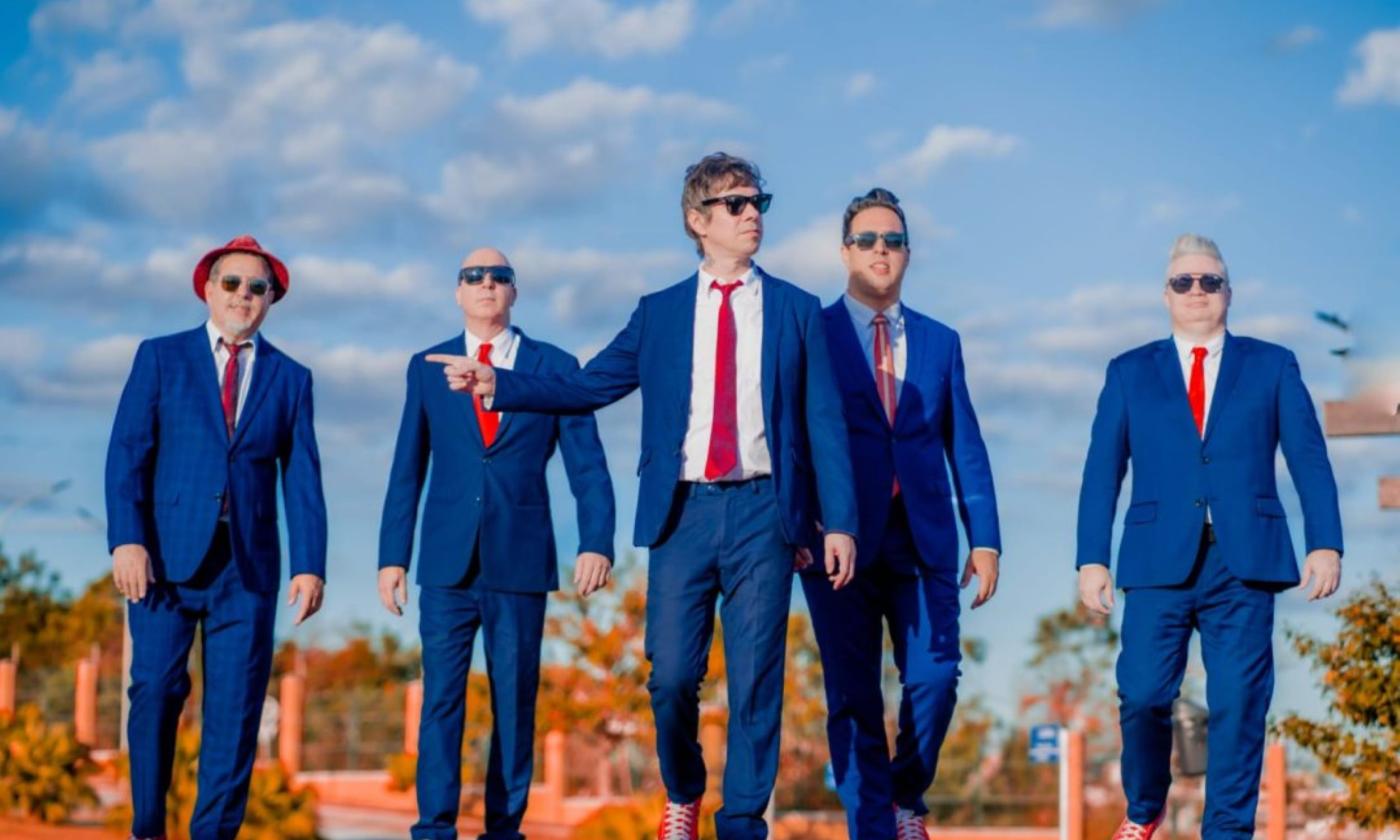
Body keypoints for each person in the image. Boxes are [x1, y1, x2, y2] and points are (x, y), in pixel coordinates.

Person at [427, 152, 858, 840]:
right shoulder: (659, 314)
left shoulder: (795, 310)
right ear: (698, 220)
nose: (754, 216)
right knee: (671, 678)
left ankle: (743, 821)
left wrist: (839, 522)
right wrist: (498, 386)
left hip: (764, 512)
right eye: (737, 204)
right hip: (680, 512)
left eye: (759, 203)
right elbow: (591, 385)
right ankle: (683, 789)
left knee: (755, 680)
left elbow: (824, 421)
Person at [1076, 234, 1344, 840]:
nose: (1197, 291)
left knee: (1239, 706)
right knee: (1142, 693)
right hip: (1154, 563)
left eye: (1209, 281)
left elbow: (1309, 457)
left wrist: (1326, 541)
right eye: (1184, 282)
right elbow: (1101, 473)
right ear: (1165, 294)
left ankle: (1226, 832)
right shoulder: (1128, 371)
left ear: (1229, 291)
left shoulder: (1272, 364)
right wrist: (1091, 558)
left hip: (1244, 563)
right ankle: (1144, 807)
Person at [378, 247, 616, 840]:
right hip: (446, 564)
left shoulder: (555, 365)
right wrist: (392, 557)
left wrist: (597, 541)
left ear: (514, 292)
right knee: (440, 702)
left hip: (520, 561)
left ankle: (504, 830)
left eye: (499, 276)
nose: (486, 283)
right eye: (473, 276)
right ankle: (434, 828)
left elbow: (587, 465)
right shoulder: (425, 367)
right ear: (458, 292)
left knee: (515, 703)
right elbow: (408, 466)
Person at [106, 235, 328, 840]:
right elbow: (127, 452)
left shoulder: (291, 378)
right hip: (162, 561)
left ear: (271, 299)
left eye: (257, 287)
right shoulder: (160, 357)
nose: (242, 296)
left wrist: (311, 564)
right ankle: (148, 827)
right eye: (231, 283)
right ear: (208, 288)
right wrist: (127, 539)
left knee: (235, 713)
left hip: (248, 570)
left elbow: (302, 476)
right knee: (153, 690)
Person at [801, 188, 1001, 840]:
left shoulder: (942, 342)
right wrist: (797, 527)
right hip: (838, 542)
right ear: (844, 252)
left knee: (936, 680)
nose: (879, 250)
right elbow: (794, 438)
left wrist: (986, 539)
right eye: (866, 240)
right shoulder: (813, 332)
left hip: (924, 541)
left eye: (891, 240)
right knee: (853, 697)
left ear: (907, 253)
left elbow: (964, 444)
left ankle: (906, 796)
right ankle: (874, 828)